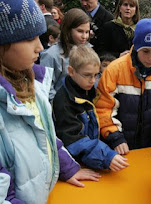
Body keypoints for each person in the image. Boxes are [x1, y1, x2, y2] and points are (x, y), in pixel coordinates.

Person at [0, 0, 100, 203]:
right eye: (30, 39)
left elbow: (46, 137)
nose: (39, 47)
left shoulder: (34, 86)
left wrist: (68, 168)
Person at [95, 18, 151, 155]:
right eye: (145, 51)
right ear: (136, 45)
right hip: (119, 146)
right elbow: (104, 107)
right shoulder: (114, 69)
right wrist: (115, 137)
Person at [53, 45, 129, 171]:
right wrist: (105, 156)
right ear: (71, 71)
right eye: (87, 75)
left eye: (96, 75)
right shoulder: (64, 102)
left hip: (93, 159)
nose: (92, 80)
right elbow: (73, 140)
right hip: (76, 165)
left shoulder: (91, 91)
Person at [40, 8, 91, 100]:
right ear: (68, 30)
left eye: (87, 32)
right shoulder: (51, 55)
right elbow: (46, 87)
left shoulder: (89, 50)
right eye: (80, 31)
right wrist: (60, 106)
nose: (84, 36)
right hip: (61, 108)